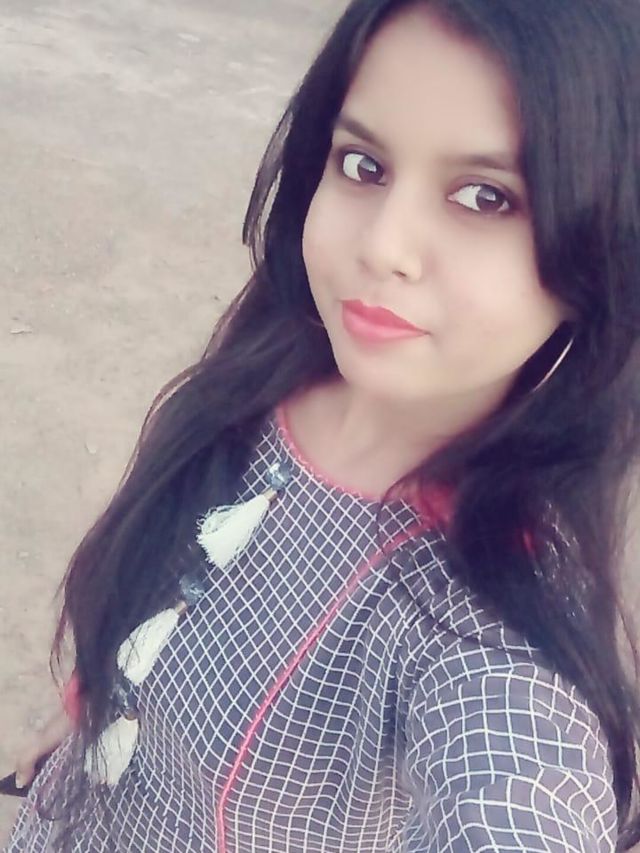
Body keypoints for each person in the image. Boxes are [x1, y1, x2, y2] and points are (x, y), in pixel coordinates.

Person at [4, 0, 640, 849]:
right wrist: (94, 705)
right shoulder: (278, 362)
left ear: (600, 249)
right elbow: (164, 576)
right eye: (364, 165)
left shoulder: (485, 617)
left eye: (485, 196)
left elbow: (519, 795)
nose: (382, 246)